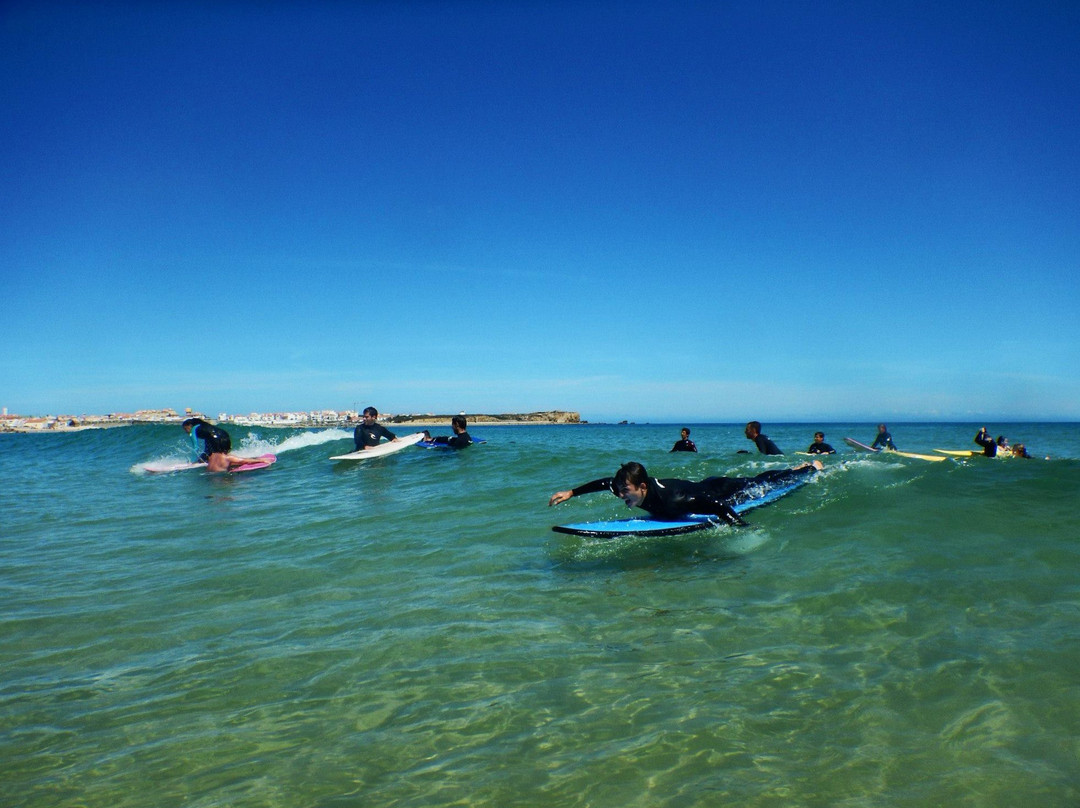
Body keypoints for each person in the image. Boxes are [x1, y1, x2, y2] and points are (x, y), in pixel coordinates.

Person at [548, 460, 823, 525]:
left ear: (642, 487)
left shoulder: (676, 500)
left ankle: (806, 469)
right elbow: (605, 482)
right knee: (758, 479)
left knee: (762, 485)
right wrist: (571, 492)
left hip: (720, 491)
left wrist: (744, 529)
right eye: (620, 492)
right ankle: (797, 467)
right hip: (702, 485)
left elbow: (718, 507)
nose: (621, 496)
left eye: (626, 492)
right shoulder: (628, 487)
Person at [181, 418, 262, 473]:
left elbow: (195, 445)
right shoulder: (204, 426)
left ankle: (199, 462)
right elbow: (209, 440)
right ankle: (233, 463)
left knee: (212, 455)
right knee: (223, 455)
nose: (186, 431)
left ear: (190, 426)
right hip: (224, 435)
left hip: (215, 438)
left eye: (186, 429)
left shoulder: (193, 429)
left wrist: (195, 452)